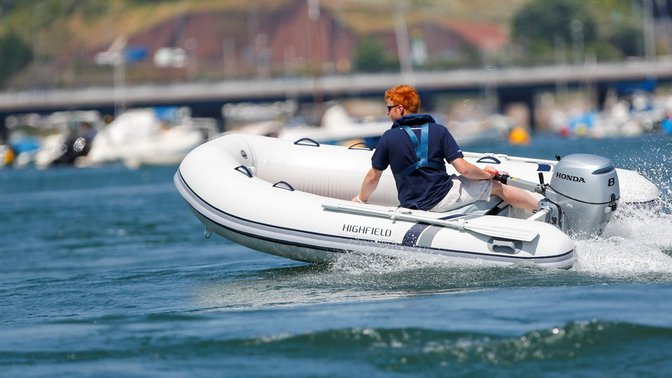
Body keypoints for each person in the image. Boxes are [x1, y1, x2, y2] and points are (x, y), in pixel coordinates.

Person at [352, 84, 539, 213]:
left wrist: (360, 199)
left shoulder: (388, 138)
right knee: (498, 186)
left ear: (400, 109)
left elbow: (372, 177)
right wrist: (487, 175)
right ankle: (540, 209)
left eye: (389, 107)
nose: (387, 112)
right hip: (442, 198)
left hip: (412, 204)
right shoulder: (439, 131)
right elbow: (464, 169)